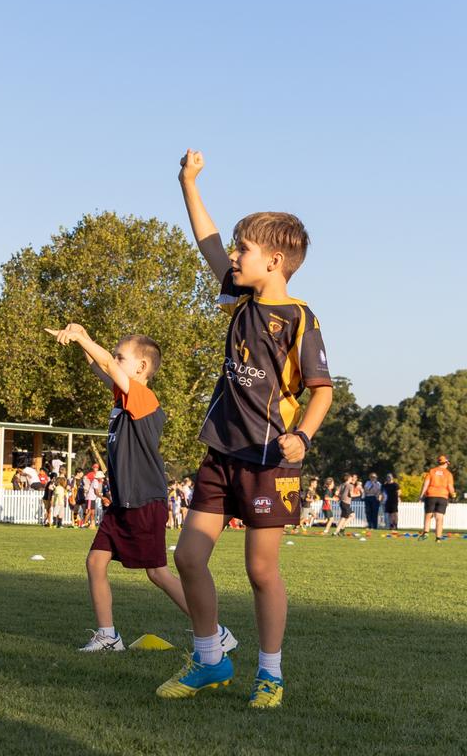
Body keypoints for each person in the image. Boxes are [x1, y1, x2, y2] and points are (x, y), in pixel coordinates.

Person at [159, 150, 333, 708]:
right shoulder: (239, 298)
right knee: (188, 558)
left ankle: (271, 674)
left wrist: (301, 436)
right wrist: (188, 184)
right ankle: (210, 660)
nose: (233, 257)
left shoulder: (300, 318)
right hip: (221, 453)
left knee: (260, 570)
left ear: (275, 260)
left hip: (268, 462)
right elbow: (207, 241)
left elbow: (322, 390)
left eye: (244, 250)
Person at [49, 323, 238, 656]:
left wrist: (84, 337)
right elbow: (100, 367)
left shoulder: (143, 397)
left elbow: (105, 364)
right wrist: (81, 340)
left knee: (158, 573)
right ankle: (108, 636)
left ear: (142, 368)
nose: (114, 360)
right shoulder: (123, 396)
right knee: (95, 562)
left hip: (144, 500)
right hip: (123, 502)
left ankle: (216, 631)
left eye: (122, 356)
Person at [420, 455, 456, 542]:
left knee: (428, 515)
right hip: (443, 497)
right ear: (446, 463)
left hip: (431, 495)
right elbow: (450, 486)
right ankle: (438, 538)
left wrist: (421, 495)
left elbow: (426, 484)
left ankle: (425, 533)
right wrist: (453, 495)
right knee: (439, 518)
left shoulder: (431, 471)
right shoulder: (448, 474)